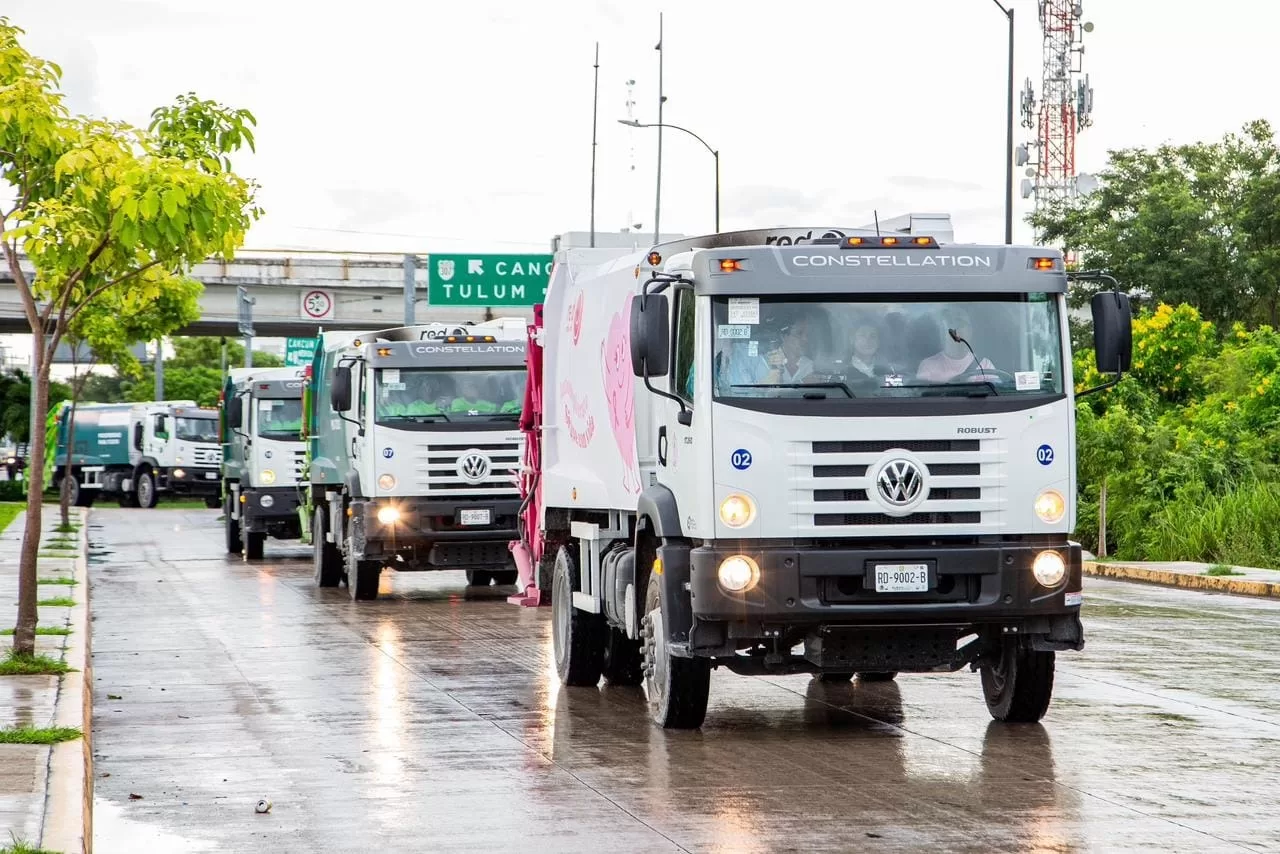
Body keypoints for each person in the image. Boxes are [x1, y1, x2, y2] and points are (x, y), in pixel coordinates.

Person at [915, 307, 995, 383]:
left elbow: (996, 391)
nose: (955, 328)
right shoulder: (928, 367)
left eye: (960, 322)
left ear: (970, 331)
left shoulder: (985, 365)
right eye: (950, 323)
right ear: (942, 331)